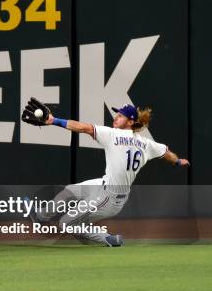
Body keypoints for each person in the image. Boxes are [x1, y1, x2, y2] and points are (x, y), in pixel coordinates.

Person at [21, 98, 190, 247]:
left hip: (110, 197)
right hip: (104, 184)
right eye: (117, 114)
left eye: (121, 115)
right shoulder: (147, 144)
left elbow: (84, 128)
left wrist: (53, 120)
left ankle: (108, 238)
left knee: (66, 223)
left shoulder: (113, 134)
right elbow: (166, 153)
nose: (116, 117)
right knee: (70, 191)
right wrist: (177, 161)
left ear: (130, 122)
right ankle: (40, 216)